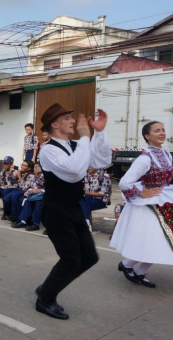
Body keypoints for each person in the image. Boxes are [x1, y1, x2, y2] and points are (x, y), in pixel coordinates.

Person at [111, 121, 173, 288]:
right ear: (147, 136)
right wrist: (142, 192)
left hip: (166, 199)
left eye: (163, 130)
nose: (162, 133)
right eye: (157, 131)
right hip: (150, 204)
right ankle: (128, 265)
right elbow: (124, 182)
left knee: (171, 238)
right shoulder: (144, 158)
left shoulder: (166, 153)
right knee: (156, 240)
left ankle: (137, 270)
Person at [35, 103, 111, 320]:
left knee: (89, 256)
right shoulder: (48, 150)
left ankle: (47, 288)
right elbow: (75, 172)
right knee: (70, 259)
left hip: (73, 208)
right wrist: (86, 138)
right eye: (67, 118)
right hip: (56, 210)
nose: (72, 121)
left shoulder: (76, 145)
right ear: (55, 124)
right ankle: (45, 299)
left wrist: (100, 132)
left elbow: (103, 160)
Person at [13, 162, 45, 231]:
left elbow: (47, 188)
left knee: (38, 201)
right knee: (29, 199)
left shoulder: (45, 176)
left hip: (44, 194)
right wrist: (29, 191)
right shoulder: (35, 175)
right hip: (37, 193)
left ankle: (35, 223)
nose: (35, 169)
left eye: (37, 167)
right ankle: (23, 220)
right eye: (34, 167)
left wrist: (40, 190)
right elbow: (33, 186)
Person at [7, 159, 35, 225]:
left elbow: (25, 187)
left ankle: (15, 216)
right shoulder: (21, 172)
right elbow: (10, 181)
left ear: (29, 168)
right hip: (18, 189)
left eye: (24, 165)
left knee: (15, 196)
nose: (22, 166)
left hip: (26, 191)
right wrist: (11, 173)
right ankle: (9, 214)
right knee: (6, 198)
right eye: (22, 164)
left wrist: (19, 177)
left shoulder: (31, 175)